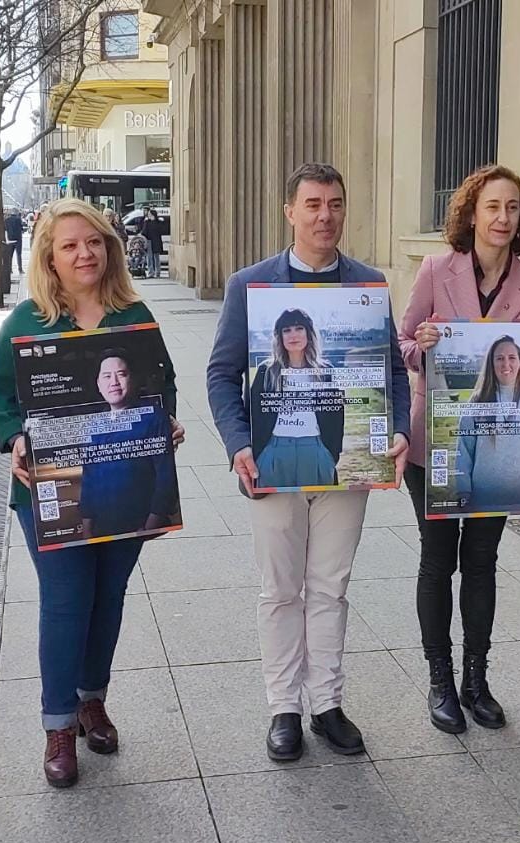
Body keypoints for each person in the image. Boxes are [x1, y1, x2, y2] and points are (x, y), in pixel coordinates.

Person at [206, 163, 411, 762]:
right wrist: (239, 443)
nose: (326, 215)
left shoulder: (368, 285)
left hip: (344, 463)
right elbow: (221, 372)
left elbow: (390, 372)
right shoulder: (251, 284)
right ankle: (283, 709)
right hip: (271, 464)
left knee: (331, 586)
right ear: (289, 212)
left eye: (336, 204)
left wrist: (395, 430)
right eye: (314, 204)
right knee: (279, 590)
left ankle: (326, 703)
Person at [0, 197, 184, 788]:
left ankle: (93, 698)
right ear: (49, 255)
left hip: (128, 481)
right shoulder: (27, 321)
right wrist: (14, 438)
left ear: (110, 247)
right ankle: (58, 725)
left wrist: (164, 421)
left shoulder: (135, 315)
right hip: (54, 489)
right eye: (69, 245)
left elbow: (160, 383)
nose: (84, 253)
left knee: (109, 596)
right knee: (67, 599)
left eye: (93, 242)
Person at [397, 163, 520, 733]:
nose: (503, 218)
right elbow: (401, 341)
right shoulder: (437, 270)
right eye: (493, 207)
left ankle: (476, 679)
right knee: (438, 560)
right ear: (472, 213)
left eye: (512, 208)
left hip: (501, 448)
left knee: (481, 561)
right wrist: (423, 345)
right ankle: (439, 680)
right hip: (433, 437)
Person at [78, 348, 180, 539]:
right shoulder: (94, 425)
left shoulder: (153, 416)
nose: (114, 382)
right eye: (107, 376)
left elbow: (165, 477)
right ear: (99, 384)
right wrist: (87, 529)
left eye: (121, 374)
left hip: (140, 522)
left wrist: (151, 525)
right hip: (102, 526)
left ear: (132, 379)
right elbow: (89, 480)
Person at [248, 308, 345, 487]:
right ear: (279, 337)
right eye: (287, 330)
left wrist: (330, 455)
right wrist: (259, 454)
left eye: (299, 328)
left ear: (309, 333)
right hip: (274, 451)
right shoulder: (266, 371)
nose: (293, 335)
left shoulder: (325, 371)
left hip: (315, 450)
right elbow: (252, 413)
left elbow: (336, 417)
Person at [455, 336, 520, 513]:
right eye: (499, 358)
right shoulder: (478, 400)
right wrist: (463, 491)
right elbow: (464, 450)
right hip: (481, 498)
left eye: (511, 358)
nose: (505, 364)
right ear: (491, 364)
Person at [139, 207, 165, 278]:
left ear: (153, 215)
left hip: (156, 241)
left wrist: (161, 222)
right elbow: (144, 232)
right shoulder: (147, 222)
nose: (148, 215)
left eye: (150, 214)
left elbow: (162, 230)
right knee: (149, 257)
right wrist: (145, 222)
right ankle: (151, 272)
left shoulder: (158, 222)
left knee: (156, 257)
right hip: (149, 241)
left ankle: (158, 272)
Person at [4, 209, 25, 274]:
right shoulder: (18, 219)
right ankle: (20, 269)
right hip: (18, 239)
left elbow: (5, 228)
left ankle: (10, 269)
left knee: (10, 255)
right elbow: (21, 228)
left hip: (10, 239)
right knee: (19, 254)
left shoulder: (6, 220)